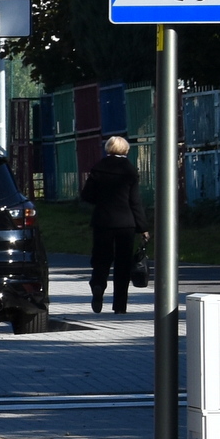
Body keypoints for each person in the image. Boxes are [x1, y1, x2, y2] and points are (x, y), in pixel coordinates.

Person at [80, 134, 142, 314]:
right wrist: (143, 227)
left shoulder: (98, 168)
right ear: (125, 150)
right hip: (126, 223)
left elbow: (86, 195)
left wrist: (101, 200)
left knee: (101, 259)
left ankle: (98, 285)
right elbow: (135, 201)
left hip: (103, 221)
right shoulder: (130, 170)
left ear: (108, 148)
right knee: (123, 264)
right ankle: (120, 305)